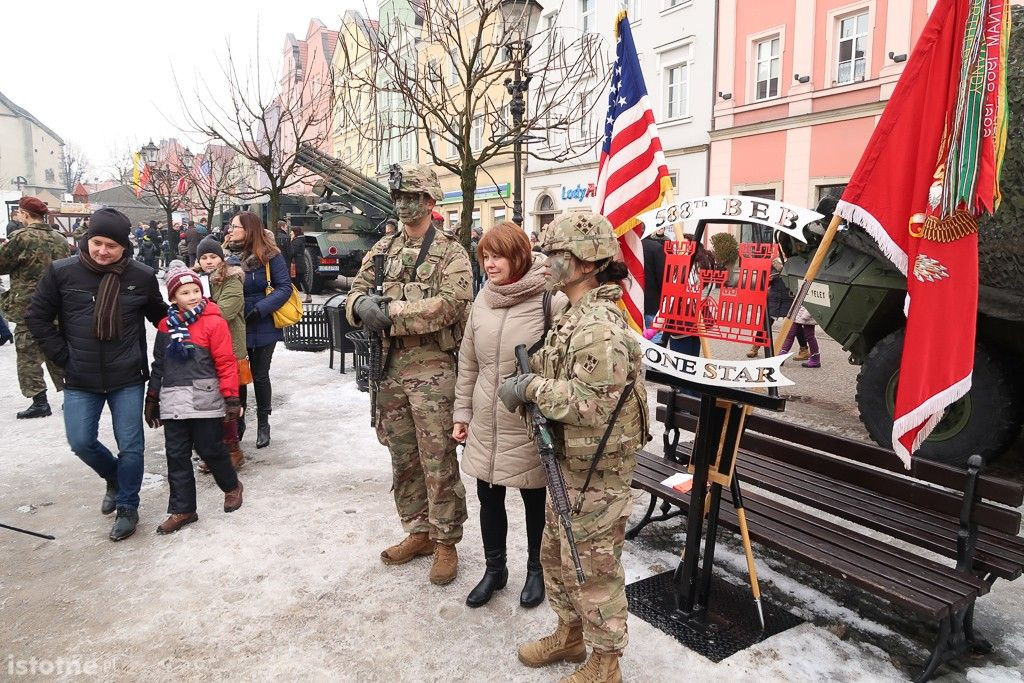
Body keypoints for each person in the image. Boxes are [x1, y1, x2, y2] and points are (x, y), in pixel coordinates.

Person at [498, 211, 648, 683]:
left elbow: (592, 405)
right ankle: (571, 634)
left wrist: (530, 389)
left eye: (556, 254)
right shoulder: (572, 315)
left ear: (586, 264)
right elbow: (551, 367)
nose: (546, 262)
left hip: (598, 473)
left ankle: (606, 662)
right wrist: (526, 378)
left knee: (594, 569)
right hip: (571, 464)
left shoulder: (598, 326)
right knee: (558, 557)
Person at [345, 163, 471, 586]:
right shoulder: (382, 248)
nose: (403, 203)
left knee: (437, 457)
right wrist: (360, 307)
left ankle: (446, 541)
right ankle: (417, 531)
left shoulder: (451, 252)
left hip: (433, 367)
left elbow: (452, 304)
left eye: (412, 196)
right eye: (398, 197)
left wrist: (390, 313)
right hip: (389, 366)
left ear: (431, 201)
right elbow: (356, 291)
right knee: (402, 455)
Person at [26, 208, 167, 541]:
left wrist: (190, 318)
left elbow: (158, 316)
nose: (103, 251)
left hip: (127, 375)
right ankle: (115, 478)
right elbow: (37, 317)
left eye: (112, 246)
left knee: (131, 446)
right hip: (80, 376)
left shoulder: (141, 276)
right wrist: (62, 356)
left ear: (124, 247)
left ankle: (128, 507)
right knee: (80, 441)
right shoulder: (62, 273)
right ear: (88, 239)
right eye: (98, 243)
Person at [453, 222, 566, 609]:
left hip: (527, 418)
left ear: (518, 255)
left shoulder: (549, 299)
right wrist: (462, 412)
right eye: (485, 256)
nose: (489, 264)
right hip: (487, 415)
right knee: (488, 495)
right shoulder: (482, 298)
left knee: (533, 498)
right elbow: (468, 362)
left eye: (497, 256)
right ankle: (494, 569)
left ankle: (536, 571)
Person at [144, 263, 243, 534]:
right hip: (173, 400)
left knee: (211, 449)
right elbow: (160, 363)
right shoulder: (165, 326)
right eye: (185, 292)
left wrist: (231, 398)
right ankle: (183, 508)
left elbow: (225, 362)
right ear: (173, 297)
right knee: (176, 455)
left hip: (205, 399)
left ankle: (231, 486)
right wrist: (152, 396)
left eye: (196, 290)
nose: (192, 296)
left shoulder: (214, 321)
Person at [225, 211, 291, 449]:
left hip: (263, 323)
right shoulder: (228, 256)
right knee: (239, 375)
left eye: (235, 227)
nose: (230, 230)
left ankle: (263, 423)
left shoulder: (271, 256)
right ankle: (238, 421)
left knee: (260, 375)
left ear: (249, 229)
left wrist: (260, 309)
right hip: (236, 324)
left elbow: (284, 288)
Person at [0, 196, 71, 418]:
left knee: (28, 353)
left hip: (28, 306)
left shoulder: (20, 238)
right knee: (56, 350)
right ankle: (72, 397)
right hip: (56, 305)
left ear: (26, 214)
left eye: (20, 213)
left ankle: (40, 401)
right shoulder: (60, 239)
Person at [194, 240, 247, 469]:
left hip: (230, 350)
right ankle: (216, 451)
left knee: (231, 403)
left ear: (221, 258)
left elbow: (224, 312)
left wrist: (196, 308)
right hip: (204, 352)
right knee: (210, 403)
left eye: (212, 257)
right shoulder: (196, 281)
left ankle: (233, 451)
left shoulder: (232, 280)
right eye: (204, 258)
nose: (208, 262)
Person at [640, 223, 667, 344]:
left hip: (632, 303)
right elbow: (662, 277)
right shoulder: (655, 247)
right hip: (652, 303)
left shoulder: (626, 247)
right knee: (655, 342)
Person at [290, 226, 312, 303]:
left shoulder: (296, 241)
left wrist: (291, 241)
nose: (290, 233)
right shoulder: (300, 240)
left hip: (297, 264)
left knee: (294, 281)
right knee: (302, 280)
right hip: (300, 263)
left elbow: (292, 252)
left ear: (295, 232)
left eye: (291, 232)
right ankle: (308, 296)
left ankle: (295, 298)